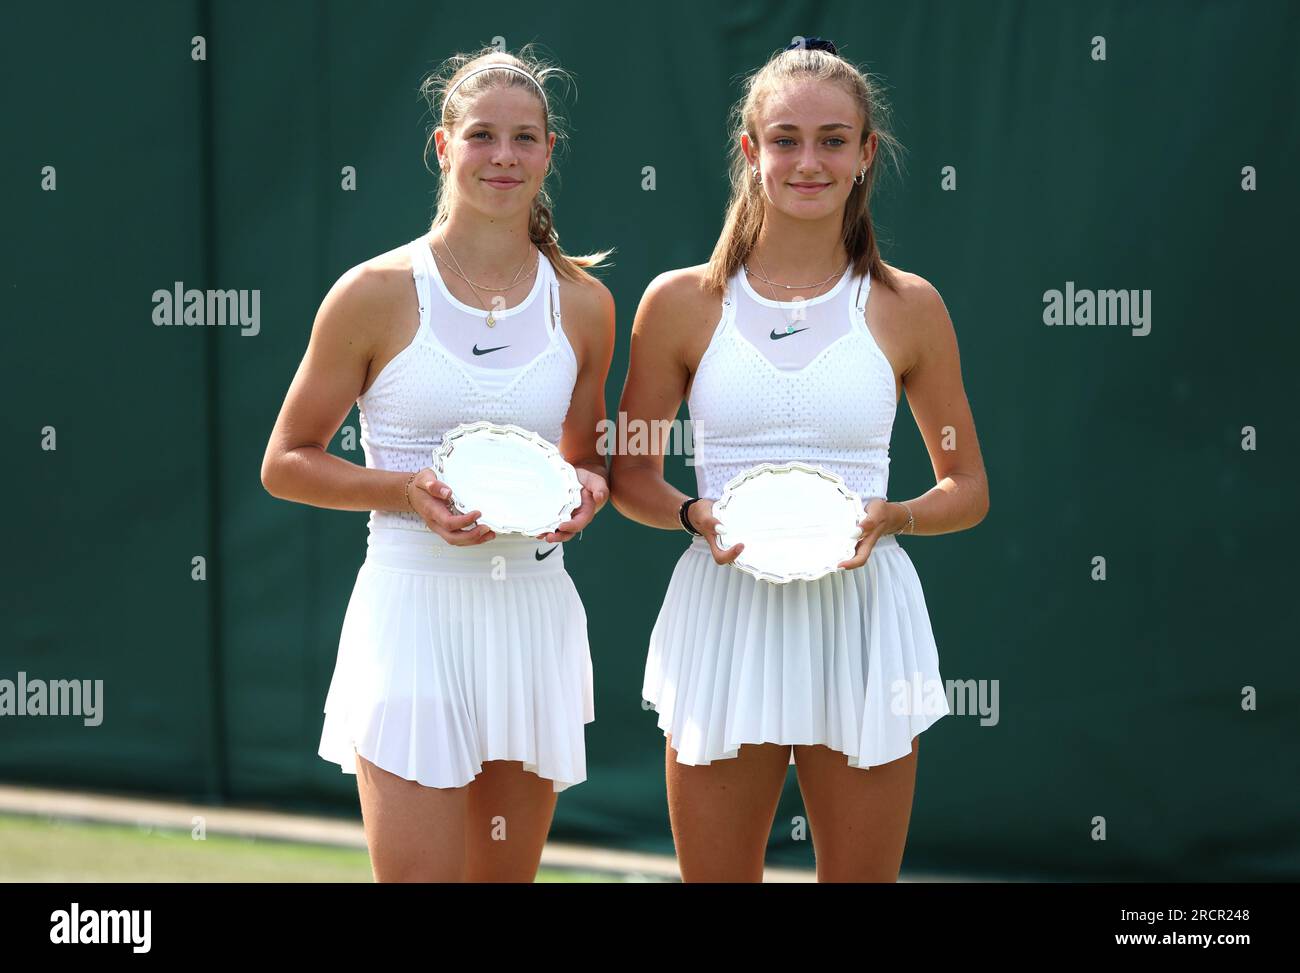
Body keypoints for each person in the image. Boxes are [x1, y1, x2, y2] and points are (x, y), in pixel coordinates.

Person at [608, 37, 989, 882]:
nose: (807, 161)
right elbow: (628, 470)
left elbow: (967, 486)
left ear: (865, 156)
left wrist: (901, 515)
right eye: (784, 139)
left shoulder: (909, 307)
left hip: (862, 621)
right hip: (725, 614)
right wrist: (685, 511)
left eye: (832, 140)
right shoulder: (679, 304)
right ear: (750, 152)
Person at [260, 45, 615, 882]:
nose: (503, 156)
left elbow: (583, 457)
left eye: (524, 138)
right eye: (482, 134)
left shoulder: (587, 305)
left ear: (549, 151)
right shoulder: (373, 292)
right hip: (411, 616)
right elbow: (286, 460)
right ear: (443, 145)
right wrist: (404, 491)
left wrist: (589, 487)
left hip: (532, 615)